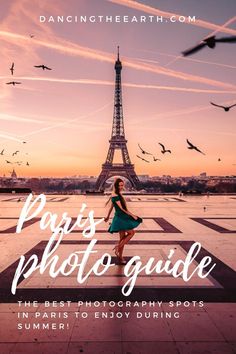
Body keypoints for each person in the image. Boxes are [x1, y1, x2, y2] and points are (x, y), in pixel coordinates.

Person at [104, 178, 142, 264]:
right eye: (120, 185)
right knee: (132, 233)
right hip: (121, 218)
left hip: (120, 217)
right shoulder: (115, 195)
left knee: (122, 238)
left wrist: (107, 216)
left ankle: (120, 257)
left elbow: (112, 207)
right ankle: (118, 247)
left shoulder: (115, 194)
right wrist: (133, 215)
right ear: (116, 185)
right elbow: (122, 208)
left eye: (122, 185)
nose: (121, 187)